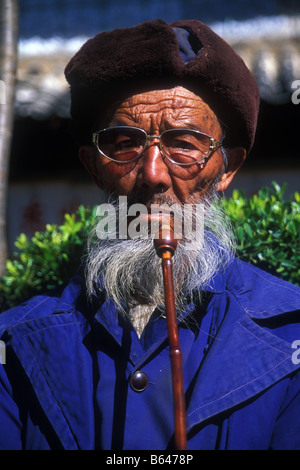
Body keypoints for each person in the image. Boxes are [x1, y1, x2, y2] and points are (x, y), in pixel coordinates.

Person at [0, 19, 300, 451]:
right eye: (124, 143)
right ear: (92, 166)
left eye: (184, 143)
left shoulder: (290, 336)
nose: (153, 174)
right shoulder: (16, 348)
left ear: (226, 169)